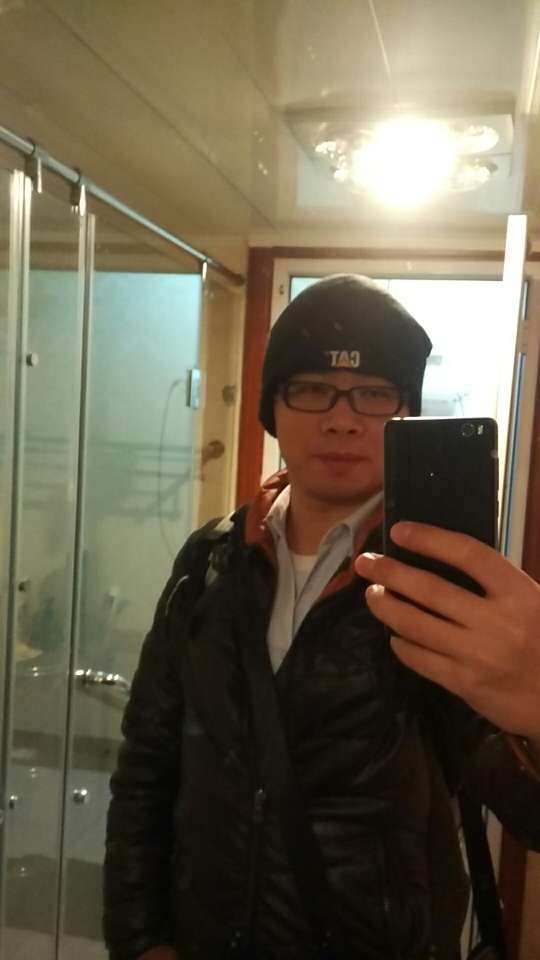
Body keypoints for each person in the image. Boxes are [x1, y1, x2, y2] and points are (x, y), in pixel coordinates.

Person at [104, 275, 540, 960]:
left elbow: (522, 806)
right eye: (311, 388)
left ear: (406, 413)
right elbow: (147, 765)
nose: (342, 419)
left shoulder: (439, 587)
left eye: (374, 393)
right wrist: (139, 941)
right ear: (272, 409)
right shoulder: (210, 561)